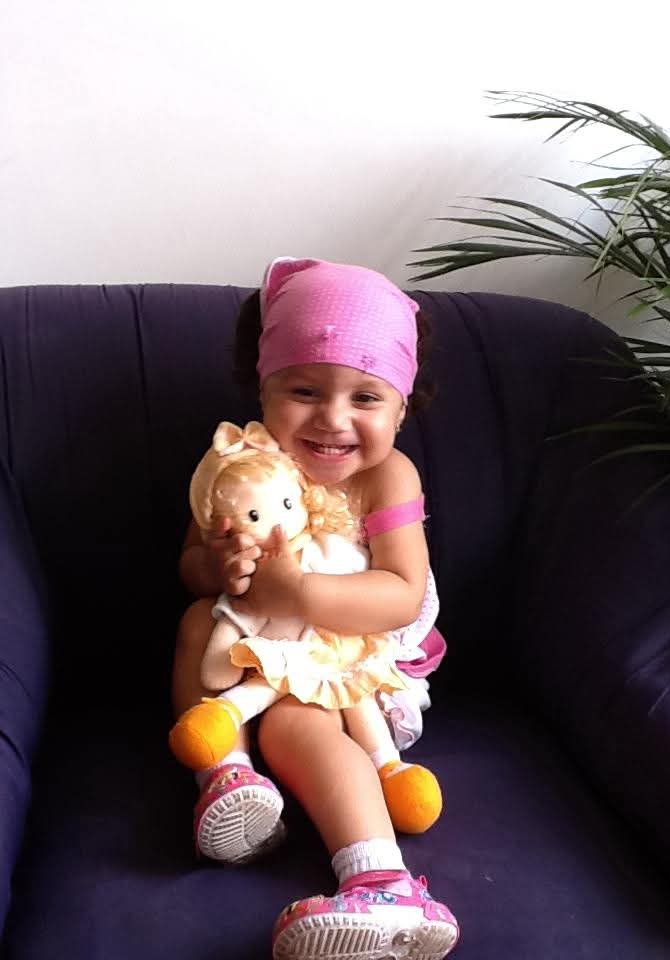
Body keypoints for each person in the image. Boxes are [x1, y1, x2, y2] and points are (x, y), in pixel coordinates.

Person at [171, 257, 459, 960]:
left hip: (357, 666)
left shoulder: (387, 476)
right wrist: (221, 564)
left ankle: (383, 881)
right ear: (263, 389)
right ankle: (227, 779)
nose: (333, 419)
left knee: (295, 721)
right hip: (257, 647)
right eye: (304, 390)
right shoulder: (243, 463)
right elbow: (191, 569)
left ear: (401, 408)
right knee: (197, 621)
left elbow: (400, 596)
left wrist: (296, 593)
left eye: (366, 398)